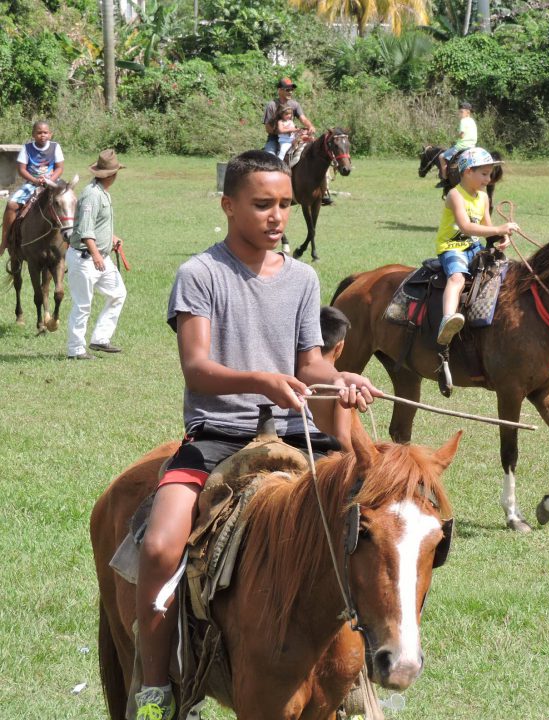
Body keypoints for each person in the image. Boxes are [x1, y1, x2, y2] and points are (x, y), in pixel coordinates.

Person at [133, 150, 380, 720]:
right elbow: (197, 368)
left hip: (296, 439)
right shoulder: (201, 274)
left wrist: (340, 379)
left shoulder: (302, 277)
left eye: (286, 205)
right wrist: (261, 381)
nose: (276, 216)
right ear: (228, 205)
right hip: (219, 435)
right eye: (262, 204)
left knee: (375, 530)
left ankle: (355, 673)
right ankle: (156, 689)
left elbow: (310, 364)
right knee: (160, 546)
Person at [435, 147, 519, 345]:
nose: (488, 179)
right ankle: (447, 320)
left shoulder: (483, 197)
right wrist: (499, 228)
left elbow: (486, 227)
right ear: (467, 172)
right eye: (483, 174)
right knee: (457, 278)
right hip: (452, 246)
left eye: (489, 174)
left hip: (473, 247)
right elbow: (466, 227)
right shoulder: (455, 195)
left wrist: (500, 237)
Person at [66, 149, 128, 360]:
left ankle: (100, 339)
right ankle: (75, 350)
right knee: (82, 305)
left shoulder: (102, 192)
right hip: (86, 258)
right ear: (112, 175)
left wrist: (111, 237)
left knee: (118, 293)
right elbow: (85, 230)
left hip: (99, 255)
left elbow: (96, 225)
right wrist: (96, 255)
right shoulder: (91, 195)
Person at [0, 120, 64, 257]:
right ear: (33, 134)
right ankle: (5, 241)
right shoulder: (27, 148)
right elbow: (21, 169)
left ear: (50, 134)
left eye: (45, 132)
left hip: (52, 182)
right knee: (11, 205)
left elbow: (59, 168)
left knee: (67, 201)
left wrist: (49, 180)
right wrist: (35, 180)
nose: (42, 135)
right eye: (39, 133)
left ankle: (74, 239)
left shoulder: (55, 147)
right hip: (31, 183)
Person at [307, 306, 353, 451]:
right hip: (324, 463)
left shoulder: (295, 374)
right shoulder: (339, 386)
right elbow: (342, 439)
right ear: (339, 347)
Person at [262, 77, 315, 156]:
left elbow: (303, 119)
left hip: (292, 138)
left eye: (291, 90)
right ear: (279, 90)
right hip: (274, 139)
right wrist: (283, 131)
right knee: (269, 156)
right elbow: (268, 128)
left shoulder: (295, 104)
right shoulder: (271, 105)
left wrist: (310, 126)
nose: (290, 92)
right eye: (287, 90)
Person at [438, 102, 477, 186]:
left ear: (468, 112)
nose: (460, 114)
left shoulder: (463, 121)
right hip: (472, 147)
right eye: (459, 112)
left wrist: (457, 135)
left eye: (461, 112)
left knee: (441, 157)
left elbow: (462, 135)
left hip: (461, 147)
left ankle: (444, 179)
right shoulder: (472, 121)